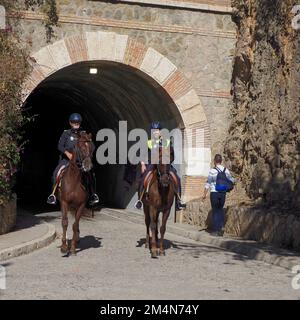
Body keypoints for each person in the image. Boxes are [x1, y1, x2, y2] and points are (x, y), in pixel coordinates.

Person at [46, 113, 100, 206]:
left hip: (81, 161)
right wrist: (67, 153)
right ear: (70, 123)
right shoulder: (66, 133)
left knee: (91, 174)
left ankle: (93, 194)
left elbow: (93, 146)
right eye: (74, 122)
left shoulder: (84, 134)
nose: (76, 124)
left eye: (78, 122)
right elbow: (60, 146)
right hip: (67, 160)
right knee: (56, 173)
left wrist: (88, 155)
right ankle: (53, 195)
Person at [134, 121, 186, 210]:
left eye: (157, 130)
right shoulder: (149, 142)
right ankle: (140, 200)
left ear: (160, 131)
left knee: (177, 178)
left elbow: (172, 154)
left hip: (165, 165)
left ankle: (178, 201)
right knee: (144, 177)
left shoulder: (167, 141)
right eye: (153, 130)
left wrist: (168, 161)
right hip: (153, 164)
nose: (155, 132)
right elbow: (142, 154)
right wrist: (142, 164)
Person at [202, 154, 235, 236]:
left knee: (215, 210)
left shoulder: (212, 171)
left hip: (214, 193)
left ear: (214, 161)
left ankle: (216, 230)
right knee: (220, 210)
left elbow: (208, 183)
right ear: (221, 161)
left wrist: (204, 194)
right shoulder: (226, 170)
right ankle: (221, 228)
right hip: (223, 193)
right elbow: (232, 180)